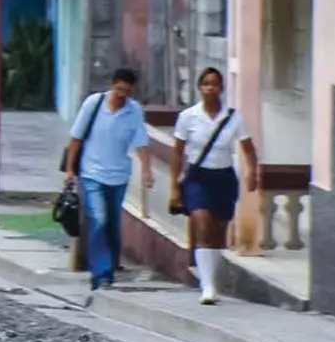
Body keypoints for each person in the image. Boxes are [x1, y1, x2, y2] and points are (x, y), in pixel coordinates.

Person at [171, 66, 260, 304]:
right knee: (202, 224)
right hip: (198, 177)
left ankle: (212, 279)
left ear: (221, 88)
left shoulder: (234, 118)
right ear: (200, 88)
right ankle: (207, 286)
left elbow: (248, 149)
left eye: (215, 83)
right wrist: (174, 187)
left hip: (224, 178)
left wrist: (253, 172)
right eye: (206, 83)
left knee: (219, 233)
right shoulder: (188, 117)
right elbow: (177, 153)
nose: (210, 87)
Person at [61, 67, 152, 292]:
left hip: (119, 175)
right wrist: (70, 169)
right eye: (119, 89)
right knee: (99, 219)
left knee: (112, 224)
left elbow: (141, 143)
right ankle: (100, 272)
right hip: (92, 173)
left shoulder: (134, 111)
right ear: (112, 85)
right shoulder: (93, 104)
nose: (122, 95)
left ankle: (109, 269)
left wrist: (147, 171)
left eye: (127, 91)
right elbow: (76, 138)